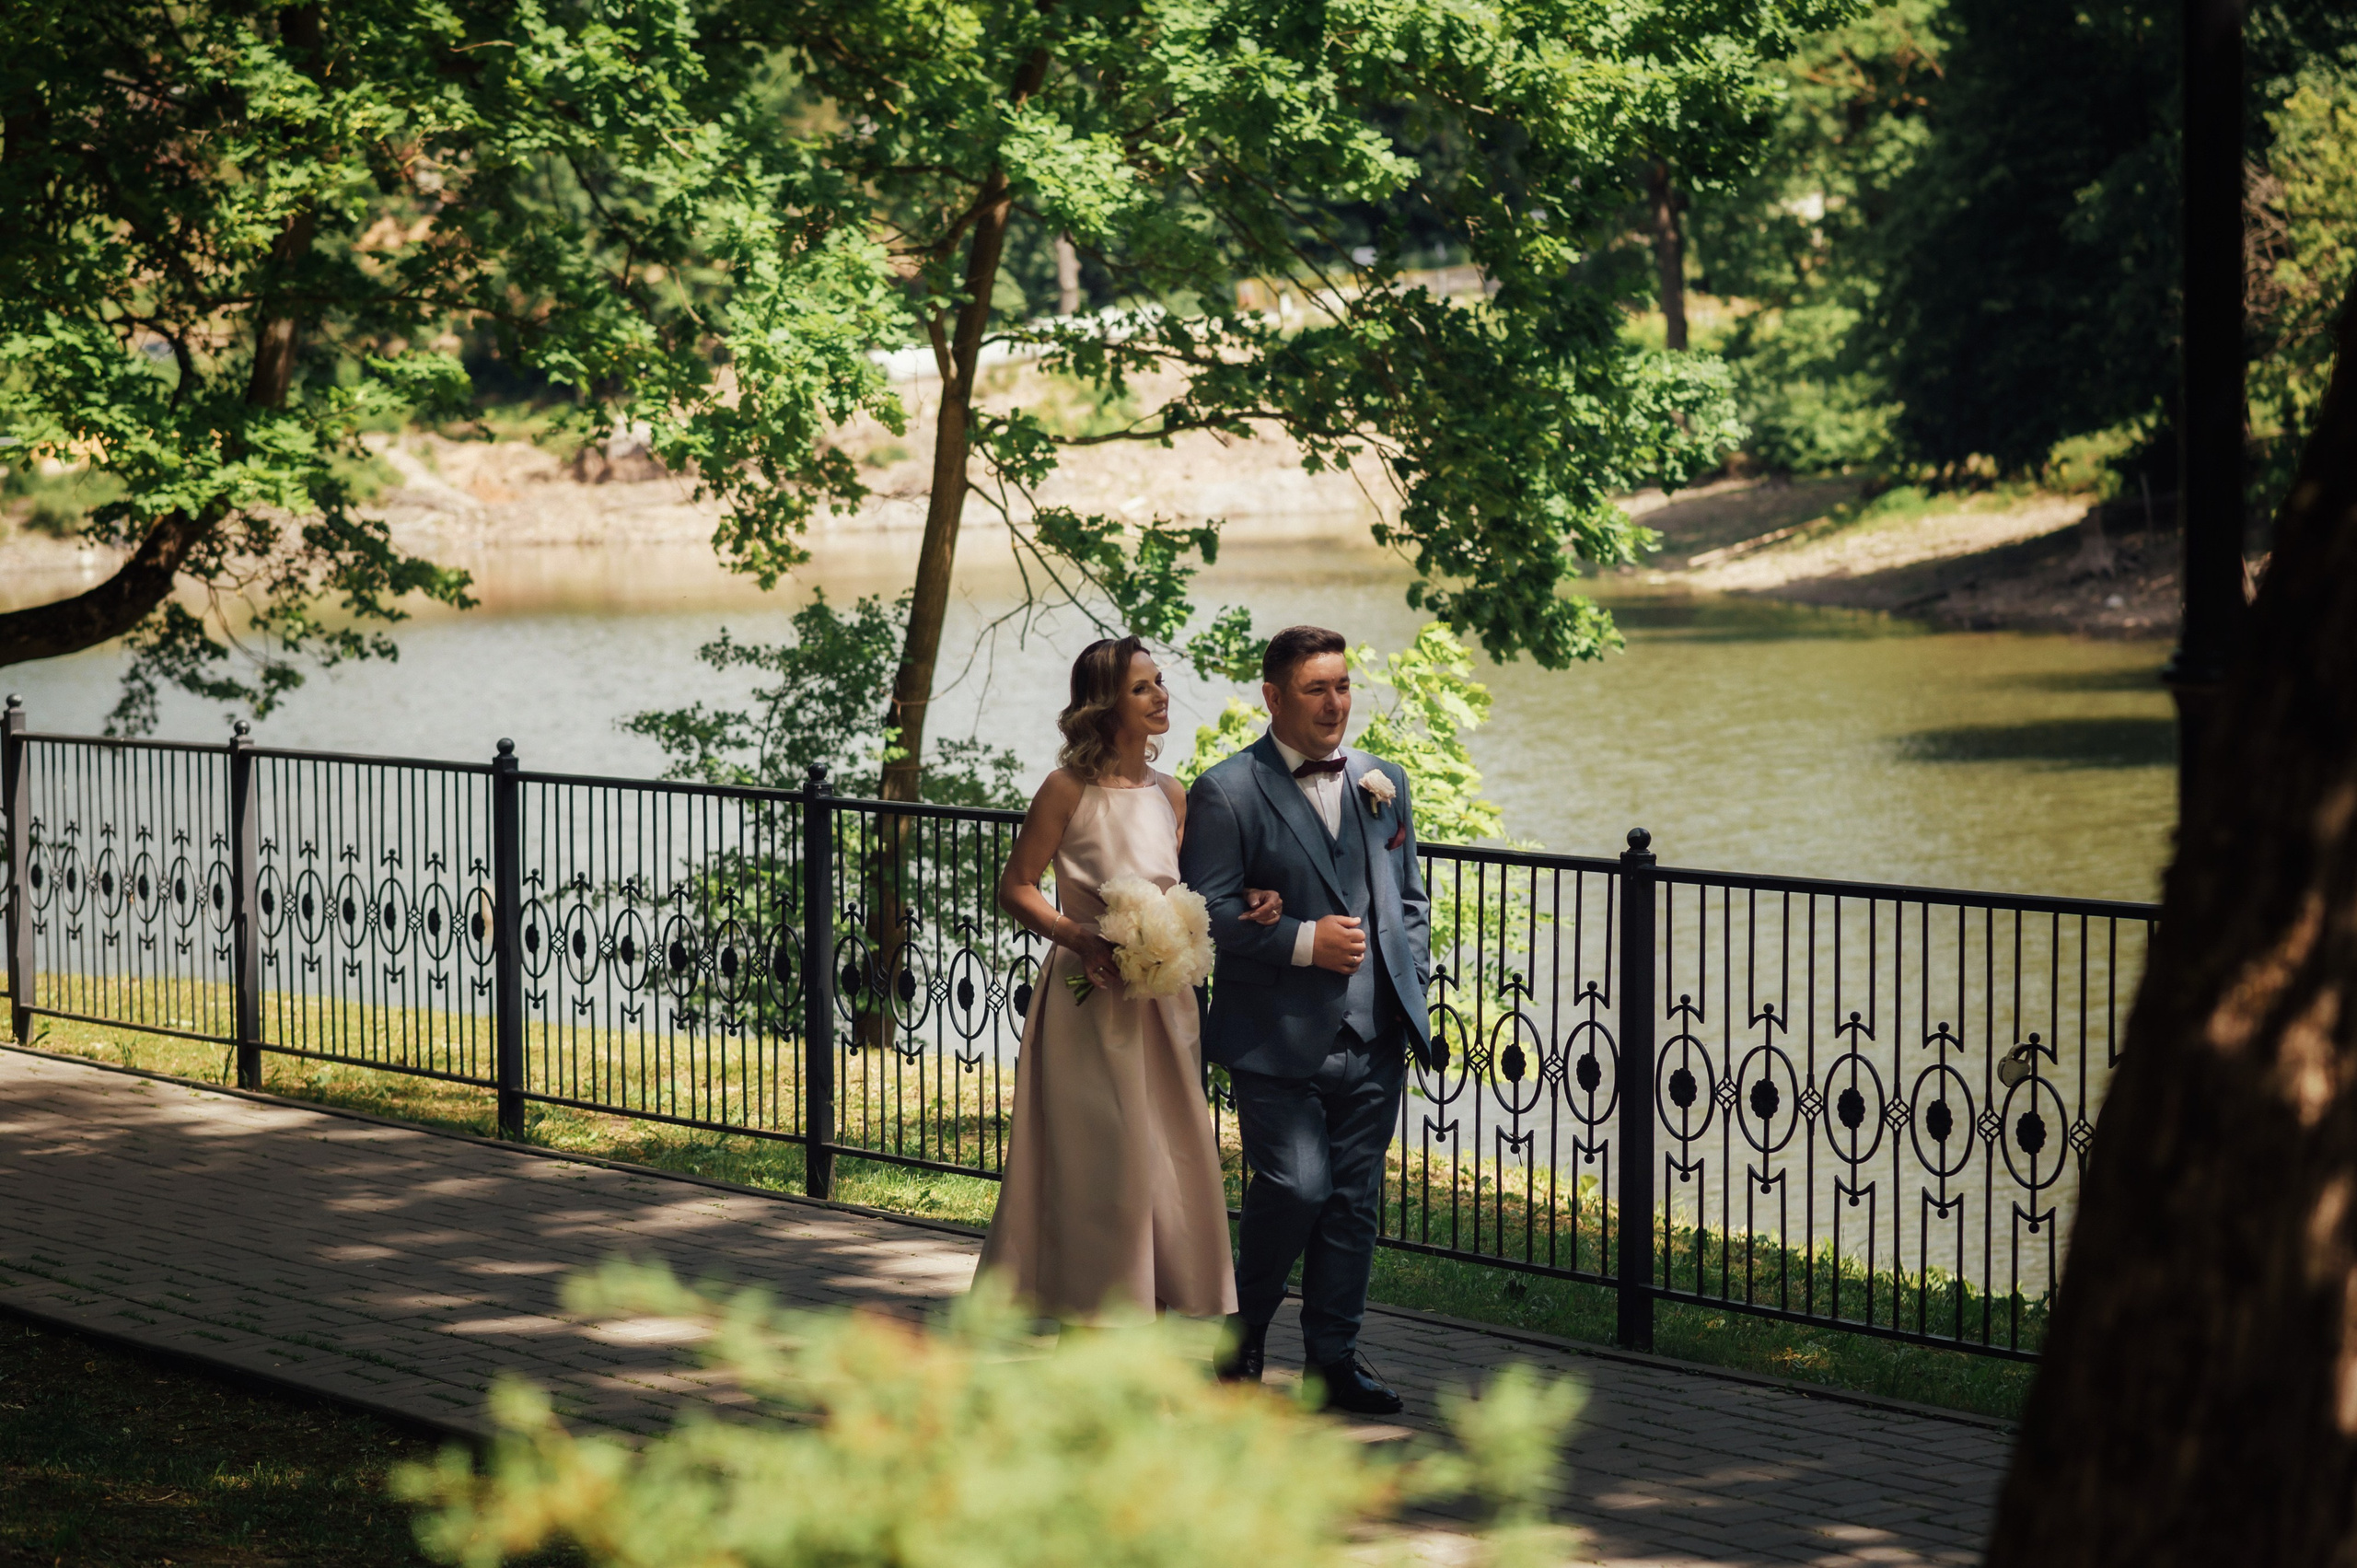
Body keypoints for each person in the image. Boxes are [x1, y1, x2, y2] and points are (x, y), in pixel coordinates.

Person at [978, 635, 1278, 1324]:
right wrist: (1077, 935)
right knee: (1100, 1156)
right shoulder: (1065, 790)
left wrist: (1255, 898)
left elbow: (1198, 890)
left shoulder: (1172, 793)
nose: (1160, 695)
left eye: (1160, 681)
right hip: (1088, 1001)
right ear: (1104, 702)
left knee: (1166, 1155)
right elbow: (1016, 886)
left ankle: (1158, 1305)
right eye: (1142, 687)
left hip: (1166, 1001)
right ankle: (1088, 1313)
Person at [1178, 624, 1434, 1415]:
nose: (1336, 703)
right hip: (1275, 1038)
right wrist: (1299, 942)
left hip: (1376, 1032)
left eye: (1344, 685)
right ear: (1275, 696)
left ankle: (1332, 1361)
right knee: (1295, 1186)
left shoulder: (1381, 779)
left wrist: (1408, 977)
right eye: (1317, 688)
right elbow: (1204, 913)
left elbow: (1410, 901)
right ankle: (1241, 1333)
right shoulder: (1227, 789)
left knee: (1354, 1201)